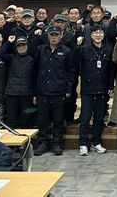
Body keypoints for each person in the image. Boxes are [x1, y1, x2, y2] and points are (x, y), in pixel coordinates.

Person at [72, 25, 115, 156]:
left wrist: (110, 86)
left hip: (102, 89)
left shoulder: (108, 50)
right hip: (88, 89)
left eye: (100, 32)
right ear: (91, 35)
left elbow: (111, 70)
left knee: (99, 119)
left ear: (103, 35)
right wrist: (77, 46)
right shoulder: (84, 49)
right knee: (85, 118)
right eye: (95, 33)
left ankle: (96, 142)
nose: (98, 35)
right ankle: (83, 144)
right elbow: (74, 61)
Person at [34, 26, 74, 156]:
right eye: (51, 35)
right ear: (48, 36)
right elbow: (34, 69)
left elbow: (70, 71)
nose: (54, 37)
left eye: (56, 35)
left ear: (61, 36)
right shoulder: (41, 49)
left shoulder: (66, 51)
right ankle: (42, 143)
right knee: (42, 120)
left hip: (59, 91)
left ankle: (57, 144)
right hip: (43, 91)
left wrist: (69, 88)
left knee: (58, 120)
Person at [4, 36, 36, 130]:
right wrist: (9, 42)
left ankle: (26, 139)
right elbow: (2, 53)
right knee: (11, 120)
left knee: (26, 120)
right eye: (19, 46)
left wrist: (35, 94)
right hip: (11, 93)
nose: (21, 47)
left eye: (23, 45)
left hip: (27, 94)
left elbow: (35, 77)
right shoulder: (11, 58)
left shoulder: (32, 59)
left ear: (27, 46)